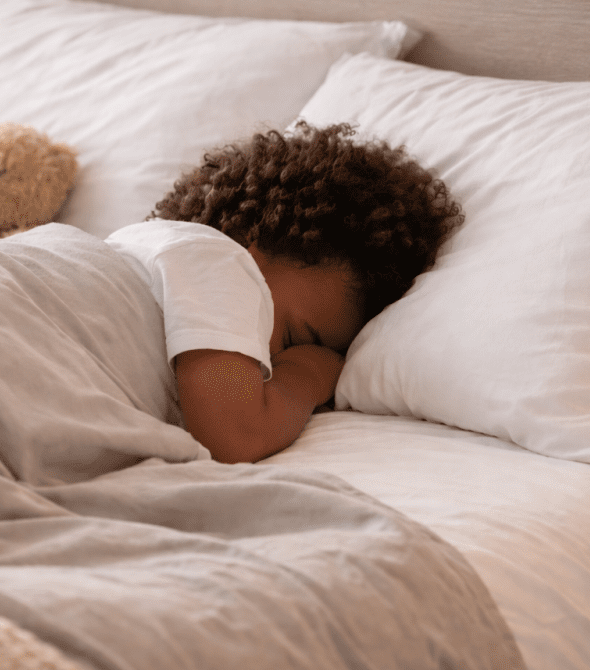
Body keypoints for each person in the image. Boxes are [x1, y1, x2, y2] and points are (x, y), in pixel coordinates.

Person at [106, 122, 462, 464]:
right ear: (251, 247)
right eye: (293, 337)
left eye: (298, 351)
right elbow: (235, 438)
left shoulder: (140, 251)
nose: (274, 366)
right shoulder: (217, 259)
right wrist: (309, 373)